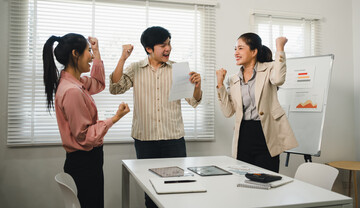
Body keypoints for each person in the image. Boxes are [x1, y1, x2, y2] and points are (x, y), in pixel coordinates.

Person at [109, 26, 202, 208]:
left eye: (169, 43)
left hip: (173, 140)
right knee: (151, 191)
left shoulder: (178, 69)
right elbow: (115, 88)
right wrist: (122, 58)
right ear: (149, 49)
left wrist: (197, 86)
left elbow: (194, 101)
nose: (168, 48)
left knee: (177, 189)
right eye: (162, 45)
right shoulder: (135, 68)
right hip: (145, 140)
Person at [42, 33, 130, 208]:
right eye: (88, 51)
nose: (90, 56)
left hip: (86, 161)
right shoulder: (72, 91)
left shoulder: (75, 82)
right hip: (84, 162)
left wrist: (97, 51)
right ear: (75, 53)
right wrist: (115, 118)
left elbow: (98, 83)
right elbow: (85, 136)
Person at [216, 32, 298, 173]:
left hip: (266, 135)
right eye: (235, 49)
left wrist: (280, 47)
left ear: (254, 51)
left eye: (240, 48)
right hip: (243, 135)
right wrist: (220, 84)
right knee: (242, 180)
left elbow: (279, 79)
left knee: (266, 181)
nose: (236, 52)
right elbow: (228, 112)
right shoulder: (233, 79)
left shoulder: (269, 69)